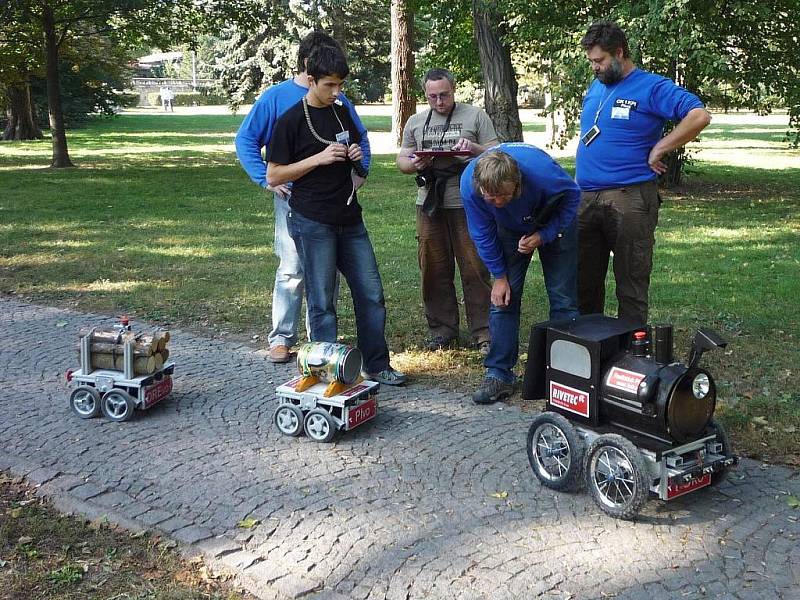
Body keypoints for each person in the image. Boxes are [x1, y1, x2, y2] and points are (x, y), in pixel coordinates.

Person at [265, 44, 405, 386]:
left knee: (371, 293)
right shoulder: (291, 120)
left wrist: (356, 156)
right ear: (311, 80)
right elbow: (273, 175)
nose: (336, 92)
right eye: (329, 85)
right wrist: (318, 159)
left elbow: (354, 149)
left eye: (340, 85)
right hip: (312, 221)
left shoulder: (341, 111)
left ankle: (377, 364)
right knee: (322, 301)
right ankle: (326, 372)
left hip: (350, 218)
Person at [235, 32, 371, 363]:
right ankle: (281, 337)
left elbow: (360, 137)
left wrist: (360, 171)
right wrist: (265, 180)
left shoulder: (336, 98)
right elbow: (246, 139)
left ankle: (320, 342)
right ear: (310, 66)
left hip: (333, 205)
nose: (336, 88)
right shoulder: (276, 98)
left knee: (325, 273)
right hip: (293, 198)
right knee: (292, 267)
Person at [576, 21, 711, 325]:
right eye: (591, 62)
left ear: (619, 52)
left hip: (629, 198)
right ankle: (589, 351)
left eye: (599, 61)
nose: (594, 68)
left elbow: (699, 115)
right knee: (582, 282)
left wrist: (661, 146)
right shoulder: (598, 85)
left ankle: (631, 352)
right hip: (585, 198)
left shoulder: (652, 86)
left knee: (631, 281)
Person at [461, 144, 580, 404]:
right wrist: (499, 276)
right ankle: (499, 374)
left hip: (553, 219)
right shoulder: (470, 186)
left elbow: (573, 198)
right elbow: (482, 233)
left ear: (517, 182)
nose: (497, 202)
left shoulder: (543, 174)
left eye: (503, 195)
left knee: (563, 299)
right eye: (490, 198)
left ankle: (568, 375)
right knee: (503, 299)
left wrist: (545, 235)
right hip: (510, 231)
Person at [396, 69, 496, 353]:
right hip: (429, 202)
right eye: (433, 96)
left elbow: (496, 151)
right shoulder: (415, 122)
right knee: (433, 266)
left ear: (454, 89)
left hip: (467, 202)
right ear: (425, 95)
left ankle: (484, 331)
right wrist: (414, 163)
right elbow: (402, 159)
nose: (439, 101)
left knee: (474, 265)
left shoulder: (475, 116)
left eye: (445, 95)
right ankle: (442, 329)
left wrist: (473, 148)